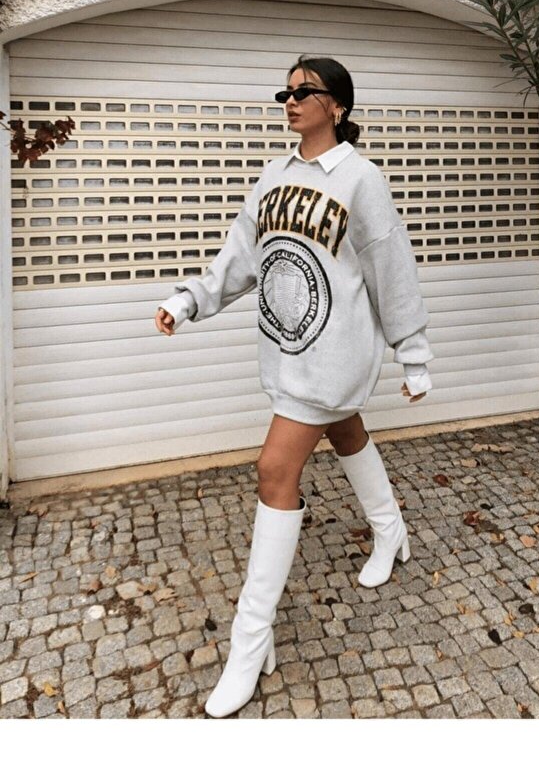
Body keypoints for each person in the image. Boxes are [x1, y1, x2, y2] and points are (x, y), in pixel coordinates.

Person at [155, 54, 434, 718]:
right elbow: (241, 255)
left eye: (305, 91)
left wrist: (413, 353)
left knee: (274, 469)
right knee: (345, 430)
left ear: (337, 105)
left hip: (335, 353)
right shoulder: (274, 175)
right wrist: (190, 299)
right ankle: (390, 530)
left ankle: (250, 644)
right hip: (288, 349)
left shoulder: (361, 179)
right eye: (285, 91)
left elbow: (390, 266)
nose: (291, 100)